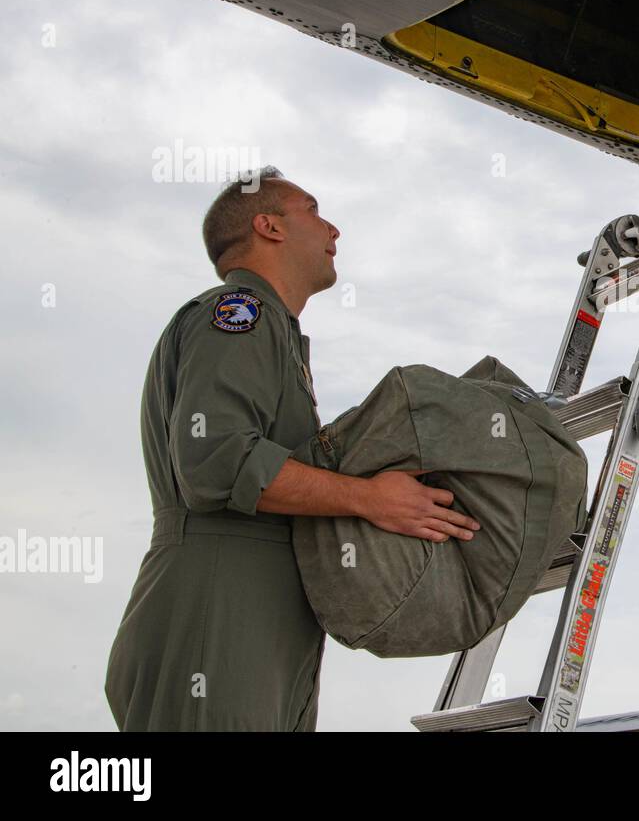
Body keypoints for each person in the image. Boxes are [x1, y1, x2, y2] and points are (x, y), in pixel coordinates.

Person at [104, 167, 481, 731]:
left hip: (258, 610)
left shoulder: (273, 332)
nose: (334, 229)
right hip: (220, 603)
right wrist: (370, 499)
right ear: (269, 226)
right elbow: (217, 461)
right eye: (312, 210)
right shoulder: (237, 314)